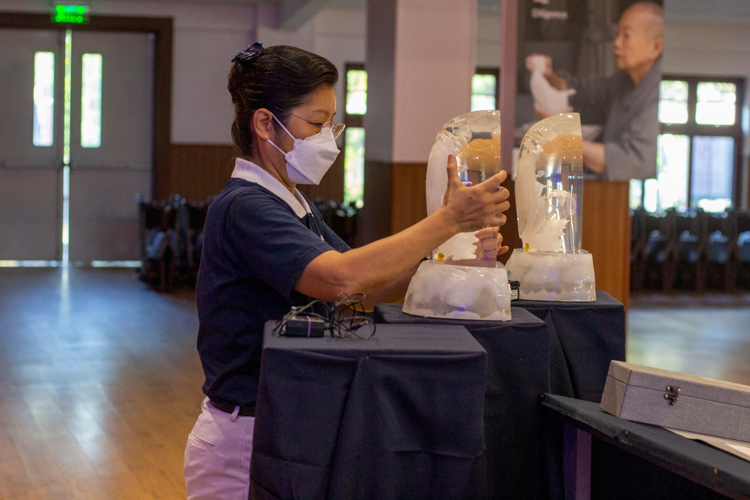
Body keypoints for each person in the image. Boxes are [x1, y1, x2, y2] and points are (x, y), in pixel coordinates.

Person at [183, 43, 511, 499]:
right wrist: (447, 220)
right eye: (316, 124)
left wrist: (454, 258)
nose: (328, 139)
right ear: (264, 123)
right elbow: (339, 278)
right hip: (246, 437)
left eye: (331, 125)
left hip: (287, 422)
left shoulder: (292, 202)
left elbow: (371, 285)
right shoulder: (245, 205)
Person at [529, 1, 663, 181]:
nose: (616, 43)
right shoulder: (622, 82)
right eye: (617, 35)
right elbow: (582, 93)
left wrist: (560, 136)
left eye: (626, 36)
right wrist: (550, 76)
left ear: (655, 47)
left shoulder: (660, 93)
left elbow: (631, 161)